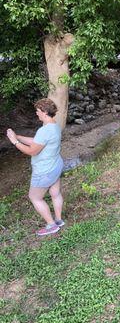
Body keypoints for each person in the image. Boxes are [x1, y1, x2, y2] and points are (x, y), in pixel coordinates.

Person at [6, 98, 65, 236]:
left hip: (45, 171)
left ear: (44, 112)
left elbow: (32, 150)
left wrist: (14, 142)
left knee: (34, 197)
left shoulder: (44, 131)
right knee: (55, 193)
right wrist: (19, 137)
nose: (36, 113)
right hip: (56, 165)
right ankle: (59, 220)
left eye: (38, 111)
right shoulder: (53, 125)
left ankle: (51, 226)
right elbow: (37, 142)